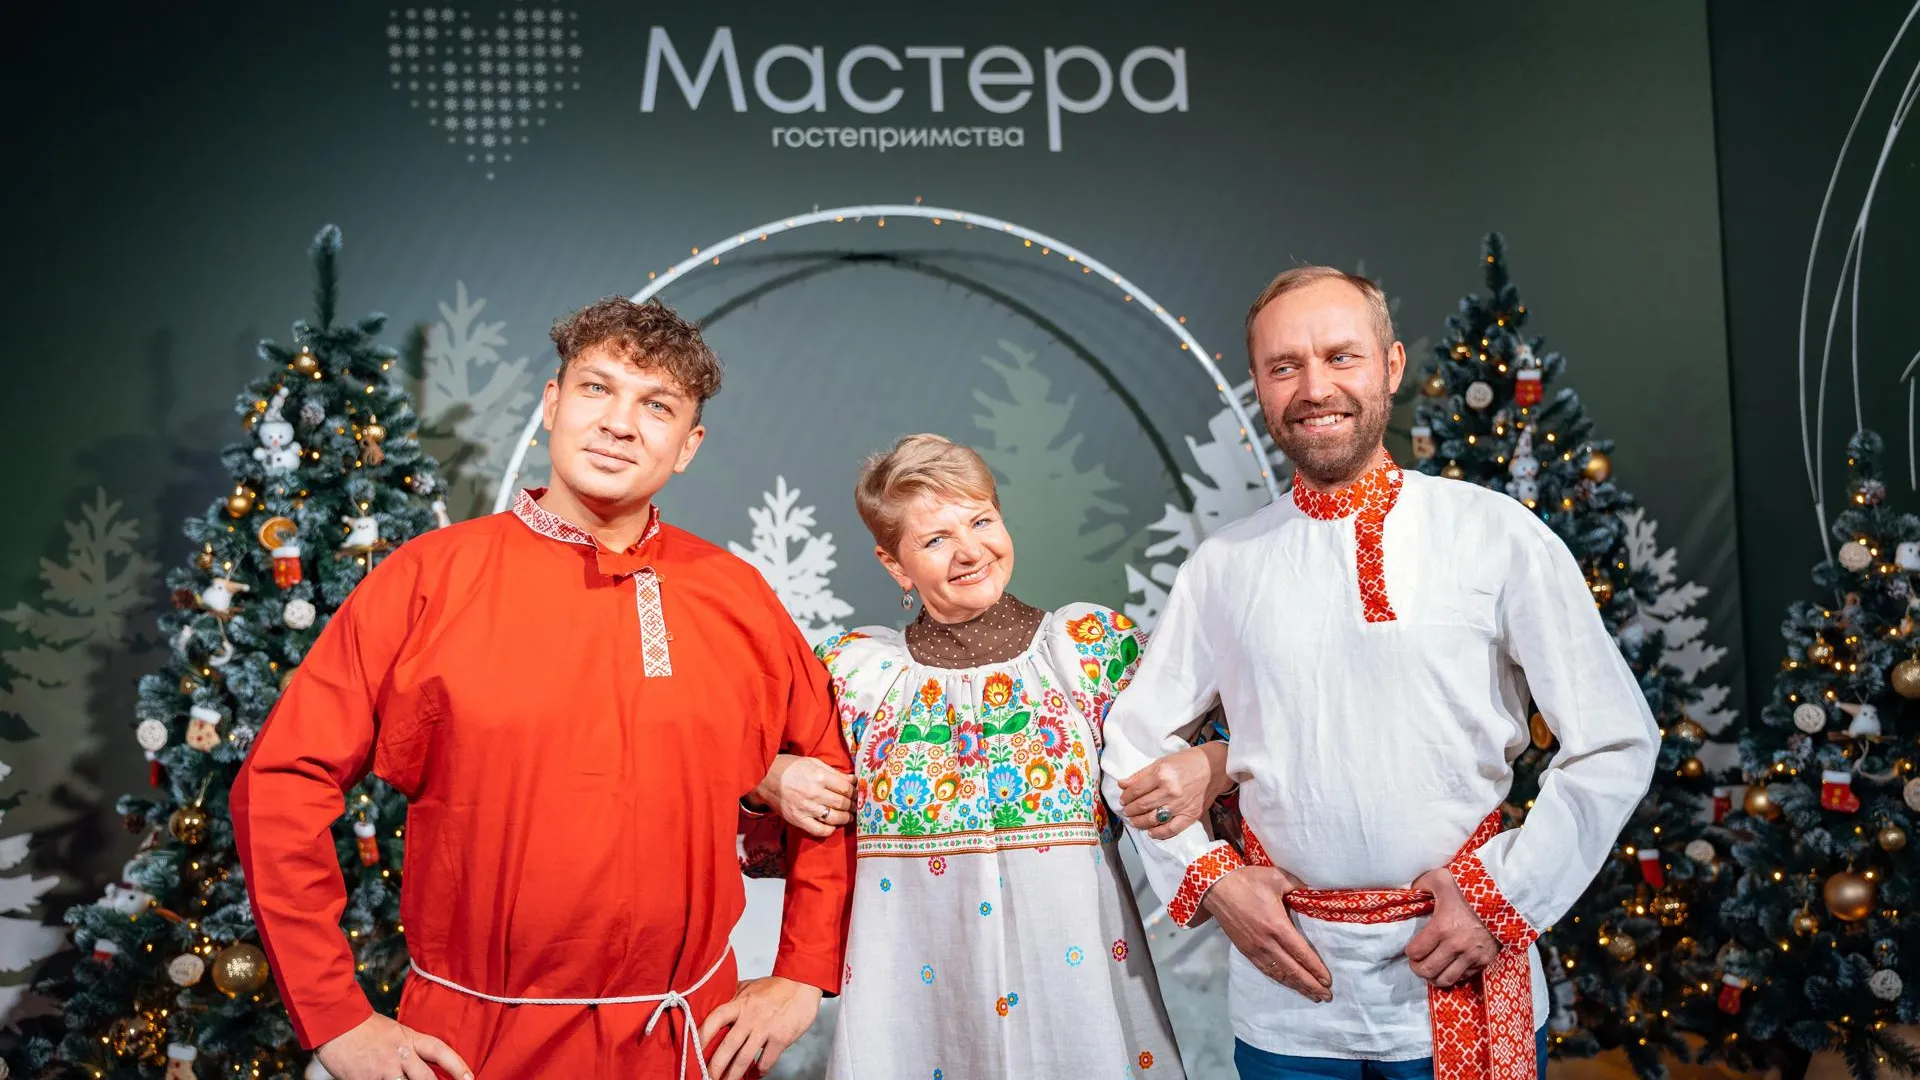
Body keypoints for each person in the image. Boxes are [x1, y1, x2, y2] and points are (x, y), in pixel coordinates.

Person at [232, 297, 854, 1080]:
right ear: (553, 404)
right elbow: (282, 781)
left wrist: (802, 972)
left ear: (687, 446)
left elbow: (830, 779)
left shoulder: (734, 595)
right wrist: (336, 1017)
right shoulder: (428, 580)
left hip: (685, 1043)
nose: (619, 424)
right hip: (473, 1045)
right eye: (597, 388)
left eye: (656, 406)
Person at [1100, 266, 1659, 1080]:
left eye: (1341, 357)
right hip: (1291, 1003)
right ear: (1257, 382)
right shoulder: (1223, 567)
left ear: (1391, 366)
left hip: (1458, 972)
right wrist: (1212, 881)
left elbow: (1614, 739)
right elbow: (1132, 748)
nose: (1313, 388)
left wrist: (1506, 897)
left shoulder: (1493, 535)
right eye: (1284, 366)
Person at [751, 433, 1184, 1079]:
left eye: (981, 521)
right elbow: (760, 795)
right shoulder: (854, 677)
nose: (970, 551)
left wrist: (1216, 760)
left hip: (1075, 997)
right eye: (935, 539)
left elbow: (1196, 763)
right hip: (915, 1007)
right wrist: (769, 774)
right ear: (895, 565)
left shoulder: (1092, 651)